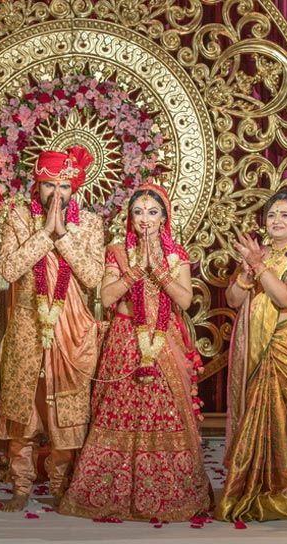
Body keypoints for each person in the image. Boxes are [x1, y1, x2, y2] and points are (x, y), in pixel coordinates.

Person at [59, 184, 211, 521]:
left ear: (164, 219)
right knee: (118, 412)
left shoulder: (177, 255)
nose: (145, 219)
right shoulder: (117, 251)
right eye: (139, 212)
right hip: (125, 340)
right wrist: (136, 269)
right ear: (129, 218)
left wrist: (156, 269)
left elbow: (185, 301)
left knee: (164, 412)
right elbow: (109, 297)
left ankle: (167, 492)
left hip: (164, 341)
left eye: (153, 212)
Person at [0, 146, 104, 512]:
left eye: (64, 187)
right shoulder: (19, 218)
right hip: (27, 327)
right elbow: (9, 269)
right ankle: (21, 487)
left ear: (75, 190)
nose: (56, 194)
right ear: (37, 186)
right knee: (22, 413)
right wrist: (44, 234)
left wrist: (64, 237)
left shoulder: (89, 224)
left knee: (66, 414)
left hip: (70, 330)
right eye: (49, 186)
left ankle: (61, 485)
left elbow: (92, 277)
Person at [215, 191, 287, 522]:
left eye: (285, 215)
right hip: (251, 349)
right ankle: (247, 485)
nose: (277, 221)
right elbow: (233, 299)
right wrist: (245, 273)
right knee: (251, 416)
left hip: (283, 349)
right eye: (272, 215)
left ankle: (285, 491)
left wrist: (258, 266)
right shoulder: (260, 254)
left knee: (281, 418)